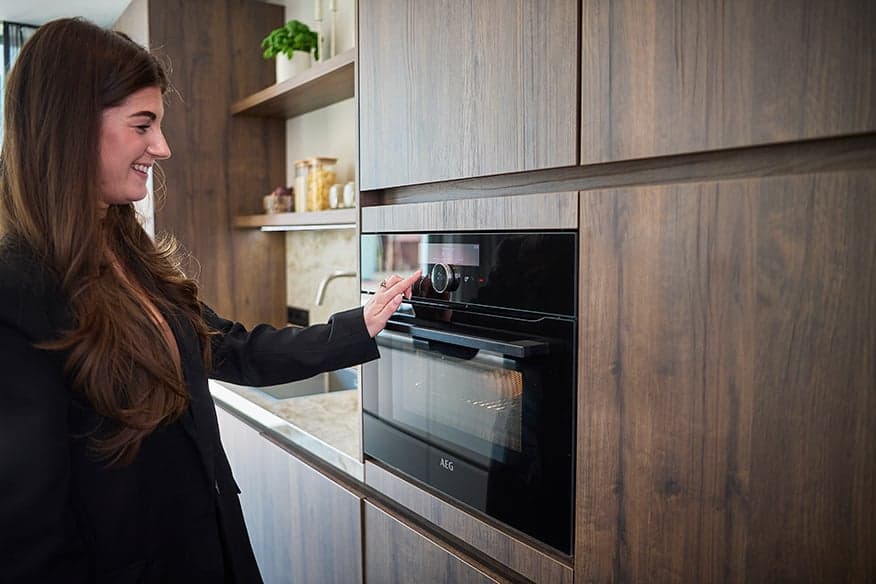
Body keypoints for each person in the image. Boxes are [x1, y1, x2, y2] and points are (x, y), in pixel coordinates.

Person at [0, 18, 418, 583]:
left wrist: (356, 328)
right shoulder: (16, 291)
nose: (162, 148)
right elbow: (29, 541)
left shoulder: (128, 251)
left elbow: (228, 347)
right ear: (68, 126)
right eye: (143, 124)